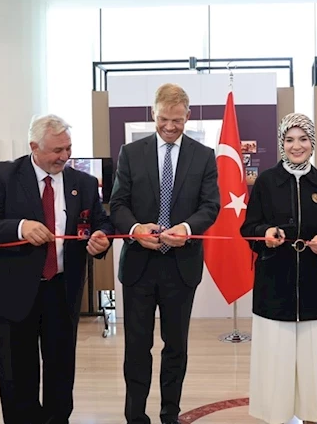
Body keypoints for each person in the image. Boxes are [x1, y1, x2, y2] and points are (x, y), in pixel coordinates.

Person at [0, 114, 114, 424]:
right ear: (34, 146)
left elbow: (101, 223)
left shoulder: (84, 183)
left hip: (62, 290)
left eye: (68, 148)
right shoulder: (5, 175)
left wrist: (102, 240)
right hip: (13, 291)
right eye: (56, 150)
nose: (64, 156)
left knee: (61, 370)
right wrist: (20, 228)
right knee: (16, 372)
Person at [109, 83, 220, 424]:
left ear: (188, 116)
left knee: (176, 348)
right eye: (163, 119)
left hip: (180, 268)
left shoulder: (204, 156)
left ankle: (170, 414)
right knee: (137, 347)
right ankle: (135, 415)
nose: (170, 127)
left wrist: (185, 230)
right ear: (152, 114)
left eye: (177, 120)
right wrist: (136, 229)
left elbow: (210, 206)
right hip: (140, 267)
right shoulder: (131, 153)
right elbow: (117, 204)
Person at [240, 113, 317, 424]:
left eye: (303, 139)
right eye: (289, 140)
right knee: (276, 364)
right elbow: (249, 228)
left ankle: (313, 418)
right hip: (275, 287)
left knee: (314, 365)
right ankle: (277, 418)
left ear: (313, 144)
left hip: (314, 288)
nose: (296, 146)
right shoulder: (266, 183)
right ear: (281, 144)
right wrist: (266, 235)